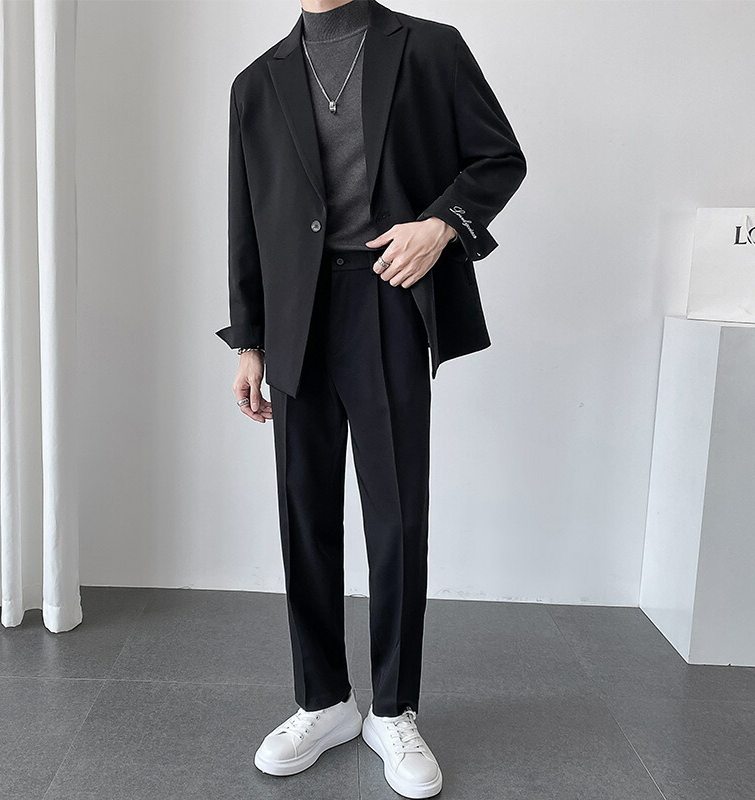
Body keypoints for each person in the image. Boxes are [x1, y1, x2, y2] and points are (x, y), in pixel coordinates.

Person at [215, 1, 526, 796]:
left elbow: (499, 158)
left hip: (388, 298)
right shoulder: (256, 84)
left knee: (396, 515)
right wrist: (249, 340)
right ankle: (323, 701)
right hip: (297, 317)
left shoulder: (429, 49)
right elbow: (247, 221)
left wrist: (440, 225)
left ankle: (394, 709)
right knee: (304, 512)